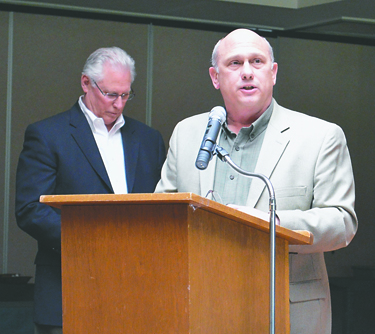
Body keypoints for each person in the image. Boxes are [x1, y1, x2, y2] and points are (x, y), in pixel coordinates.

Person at [155, 29, 357, 333]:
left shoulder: (320, 136)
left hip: (282, 312)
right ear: (215, 77)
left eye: (257, 62)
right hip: (199, 309)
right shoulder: (188, 133)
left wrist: (269, 223)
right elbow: (159, 216)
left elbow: (341, 223)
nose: (247, 72)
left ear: (273, 73)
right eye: (235, 63)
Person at [16, 47, 166, 334]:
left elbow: (162, 204)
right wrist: (98, 240)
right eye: (110, 94)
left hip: (140, 293)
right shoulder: (48, 135)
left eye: (125, 95)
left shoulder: (148, 140)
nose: (119, 104)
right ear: (86, 83)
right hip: (69, 289)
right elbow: (30, 209)